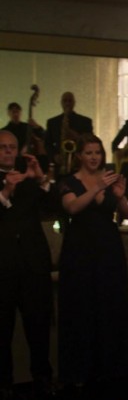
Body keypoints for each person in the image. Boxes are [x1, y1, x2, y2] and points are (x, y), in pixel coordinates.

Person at [57, 134, 128, 387]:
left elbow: (126, 213)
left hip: (108, 248)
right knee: (83, 305)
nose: (94, 157)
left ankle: (112, 367)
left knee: (110, 303)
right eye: (89, 153)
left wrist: (120, 196)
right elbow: (72, 207)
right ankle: (81, 369)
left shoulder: (109, 178)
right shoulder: (69, 181)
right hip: (80, 249)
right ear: (80, 155)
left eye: (98, 153)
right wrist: (97, 187)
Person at [0, 131, 54, 399]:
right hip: (3, 267)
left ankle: (43, 378)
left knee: (39, 326)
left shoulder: (28, 179)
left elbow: (54, 209)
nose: (8, 151)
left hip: (34, 264)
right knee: (2, 328)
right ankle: (4, 383)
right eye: (3, 147)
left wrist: (41, 178)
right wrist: (5, 191)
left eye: (12, 147)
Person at [45, 92, 93, 177]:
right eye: (65, 101)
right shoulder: (52, 122)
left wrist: (76, 136)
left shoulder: (85, 121)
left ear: (74, 102)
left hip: (80, 164)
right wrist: (54, 156)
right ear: (61, 103)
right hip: (60, 165)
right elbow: (47, 144)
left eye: (70, 101)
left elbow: (91, 142)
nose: (67, 103)